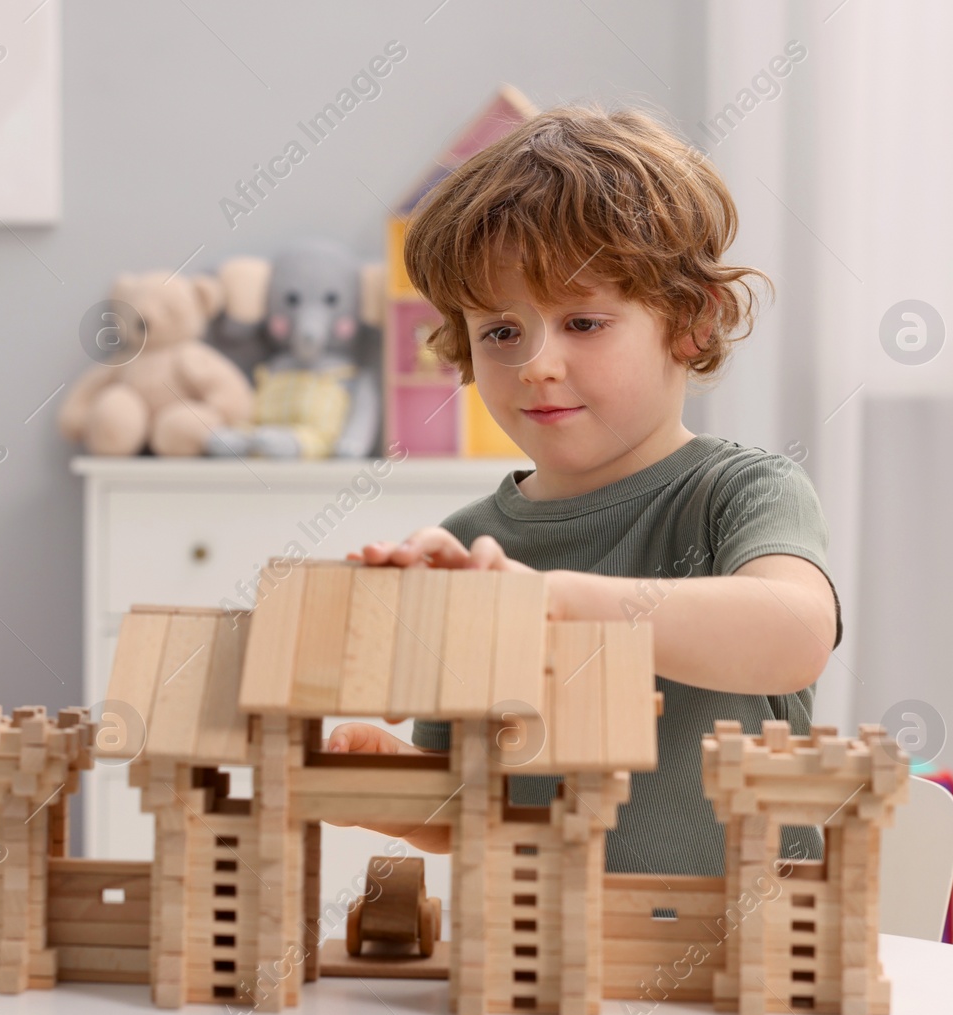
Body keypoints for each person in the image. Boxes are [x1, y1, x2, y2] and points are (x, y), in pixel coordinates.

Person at [327, 104, 839, 876]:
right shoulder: (472, 544)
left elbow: (795, 636)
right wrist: (386, 791)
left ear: (690, 323)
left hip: (734, 966)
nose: (535, 363)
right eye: (501, 331)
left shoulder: (740, 492)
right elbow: (467, 808)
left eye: (584, 322)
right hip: (535, 969)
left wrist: (550, 601)